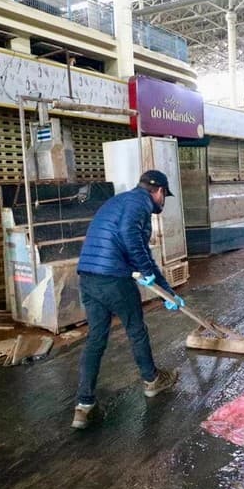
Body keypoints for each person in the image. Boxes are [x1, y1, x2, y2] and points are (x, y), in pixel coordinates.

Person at [71, 169, 184, 429]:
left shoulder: (120, 201)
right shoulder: (140, 204)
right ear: (158, 192)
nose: (162, 201)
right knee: (136, 330)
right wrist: (149, 275)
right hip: (114, 278)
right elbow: (132, 240)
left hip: (88, 276)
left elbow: (135, 247)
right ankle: (152, 381)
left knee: (96, 339)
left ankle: (83, 405)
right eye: (164, 196)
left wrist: (166, 288)